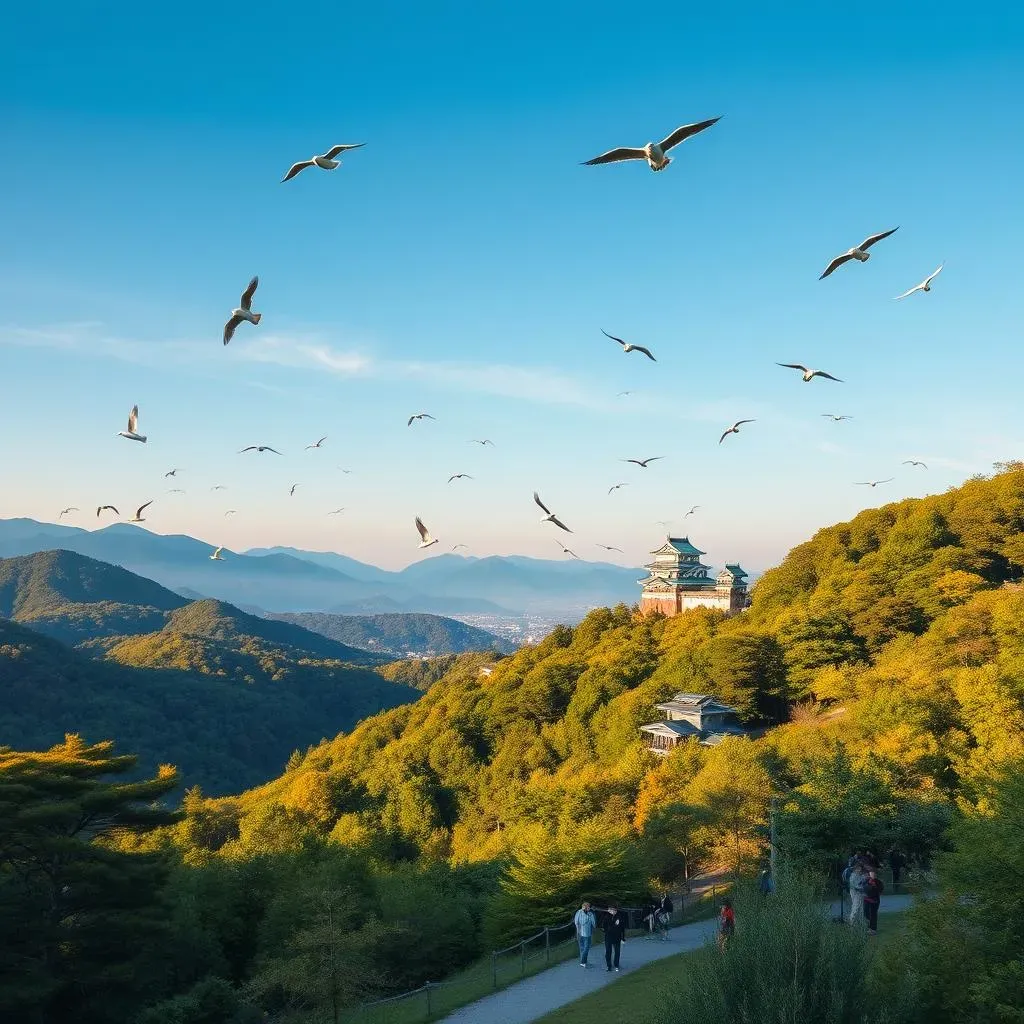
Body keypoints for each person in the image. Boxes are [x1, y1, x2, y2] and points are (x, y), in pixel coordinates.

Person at [598, 902, 628, 972]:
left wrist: (623, 938)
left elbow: (622, 928)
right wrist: (614, 924)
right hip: (608, 937)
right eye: (610, 909)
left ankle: (616, 965)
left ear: (615, 910)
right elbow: (604, 927)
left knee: (617, 952)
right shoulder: (606, 916)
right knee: (608, 952)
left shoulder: (620, 916)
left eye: (612, 909)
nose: (611, 911)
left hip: (617, 937)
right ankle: (609, 966)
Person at [573, 901, 596, 967]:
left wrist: (577, 930)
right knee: (586, 947)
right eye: (588, 907)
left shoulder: (578, 912)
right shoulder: (589, 914)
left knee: (582, 948)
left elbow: (576, 922)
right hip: (586, 933)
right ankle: (583, 962)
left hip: (580, 932)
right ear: (586, 907)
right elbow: (593, 923)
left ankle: (584, 962)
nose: (589, 908)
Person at [863, 870, 884, 935]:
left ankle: (873, 929)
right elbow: (865, 889)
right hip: (867, 900)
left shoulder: (878, 882)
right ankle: (868, 927)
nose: (873, 875)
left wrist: (874, 886)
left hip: (875, 900)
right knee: (866, 913)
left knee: (873, 914)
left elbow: (880, 889)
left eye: (874, 873)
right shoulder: (866, 881)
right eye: (871, 873)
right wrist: (870, 884)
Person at [848, 861, 868, 925]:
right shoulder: (853, 875)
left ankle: (860, 921)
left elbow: (863, 880)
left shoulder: (860, 875)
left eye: (860, 869)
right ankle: (852, 921)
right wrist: (861, 888)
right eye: (858, 868)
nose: (859, 870)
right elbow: (853, 885)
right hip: (855, 892)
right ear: (855, 868)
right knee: (856, 906)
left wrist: (865, 878)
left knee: (861, 907)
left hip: (860, 893)